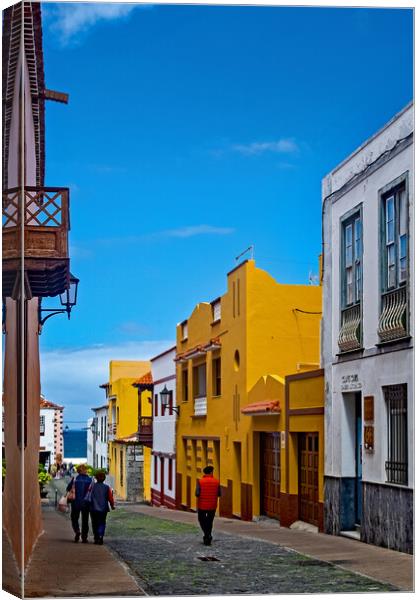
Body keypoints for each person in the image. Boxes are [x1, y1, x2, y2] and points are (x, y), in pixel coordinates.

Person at [195, 465, 221, 546]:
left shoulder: (200, 481)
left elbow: (197, 493)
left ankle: (207, 534)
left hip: (202, 505)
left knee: (201, 520)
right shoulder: (216, 482)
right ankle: (208, 535)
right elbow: (219, 494)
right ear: (211, 472)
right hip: (212, 505)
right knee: (210, 521)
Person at [66, 464, 92, 543]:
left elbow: (68, 488)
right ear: (85, 470)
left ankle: (77, 530)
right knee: (85, 520)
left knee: (74, 518)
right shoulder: (90, 480)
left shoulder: (75, 479)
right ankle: (84, 537)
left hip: (75, 502)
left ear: (78, 471)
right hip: (86, 503)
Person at [89, 471, 115, 545]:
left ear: (96, 478)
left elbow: (89, 496)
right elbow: (110, 498)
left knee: (94, 523)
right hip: (103, 508)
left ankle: (96, 537)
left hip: (93, 508)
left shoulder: (92, 486)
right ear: (104, 478)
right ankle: (101, 536)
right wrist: (112, 505)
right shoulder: (106, 487)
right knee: (102, 522)